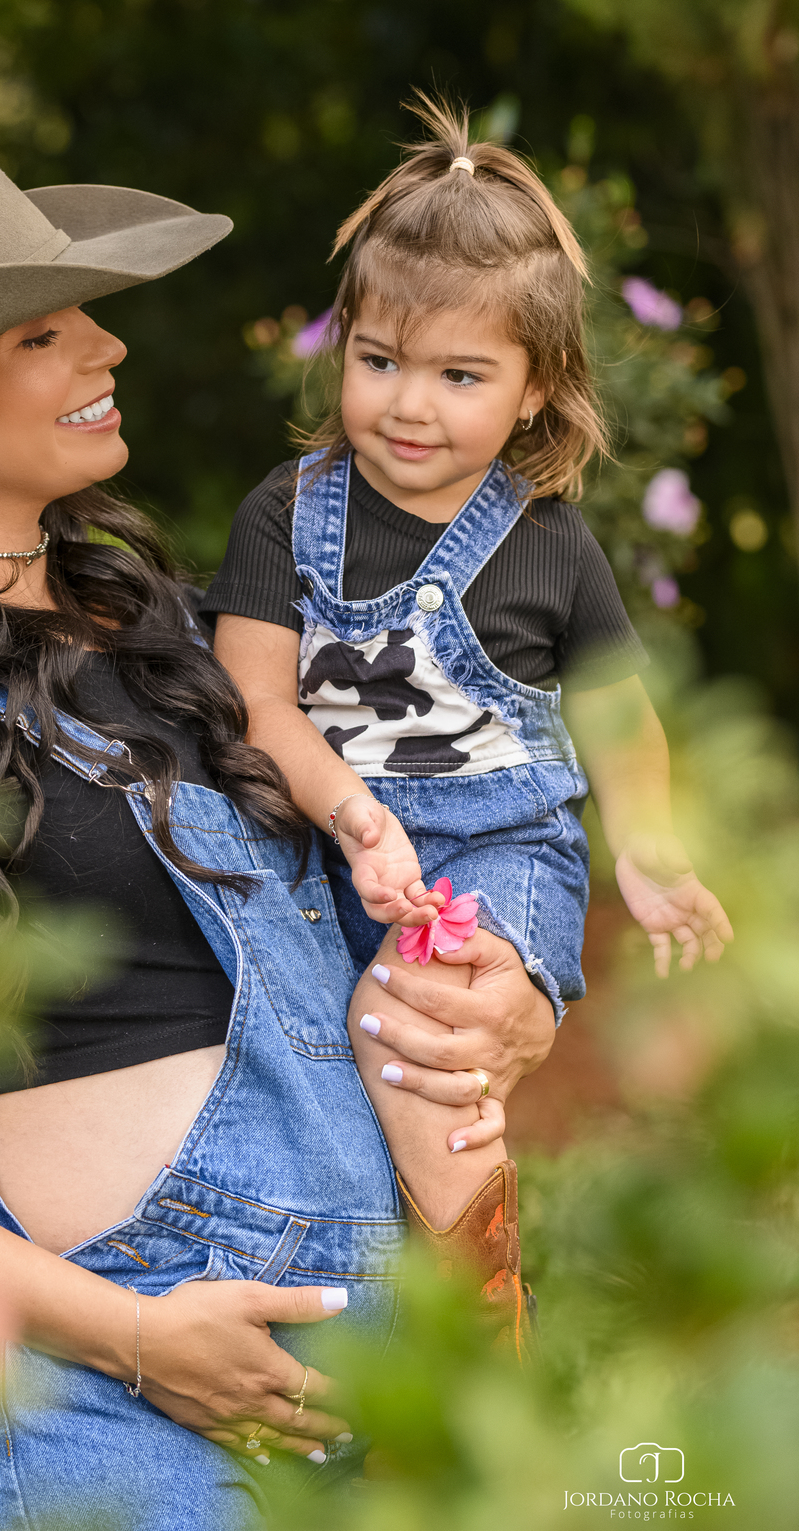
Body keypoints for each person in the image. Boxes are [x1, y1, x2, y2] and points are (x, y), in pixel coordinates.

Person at [0, 106, 555, 1531]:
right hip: (110, 1405)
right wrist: (132, 1335)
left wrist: (512, 993)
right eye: (42, 333)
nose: (106, 347)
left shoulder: (189, 642)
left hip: (382, 1377)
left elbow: (457, 835)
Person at [207, 96, 733, 1272]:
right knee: (304, 1079)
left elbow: (619, 716)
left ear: (535, 387)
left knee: (418, 1030)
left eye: (459, 374)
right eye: (379, 361)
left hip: (496, 853)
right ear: (343, 346)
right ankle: (358, 1303)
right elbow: (258, 704)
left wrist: (648, 845)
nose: (409, 404)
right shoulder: (285, 516)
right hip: (325, 850)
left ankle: (477, 1319)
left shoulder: (548, 543)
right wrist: (353, 815)